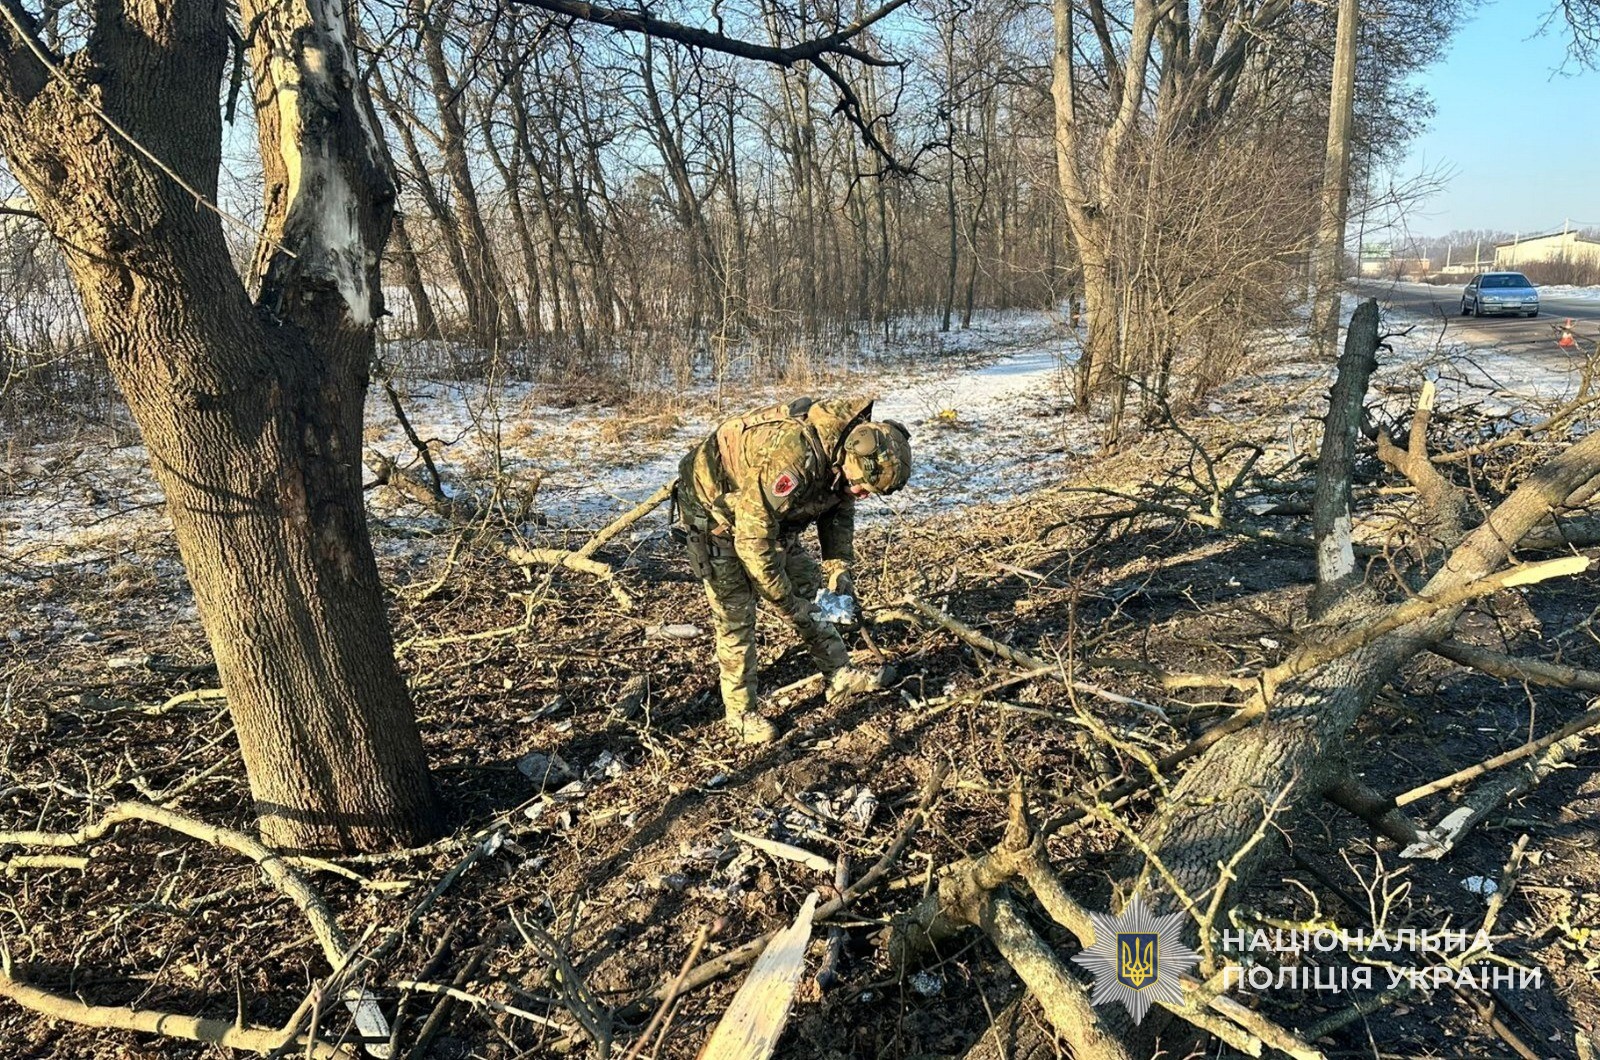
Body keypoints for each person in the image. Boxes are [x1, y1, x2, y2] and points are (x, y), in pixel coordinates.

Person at [675, 397, 912, 743]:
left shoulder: (841, 454)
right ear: (851, 456)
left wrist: (838, 567)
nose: (862, 494)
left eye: (868, 491)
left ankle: (839, 675)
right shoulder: (795, 458)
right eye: (862, 486)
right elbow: (753, 542)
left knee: (810, 589)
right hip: (714, 514)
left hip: (764, 515)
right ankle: (740, 714)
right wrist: (785, 602)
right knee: (736, 612)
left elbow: (839, 508)